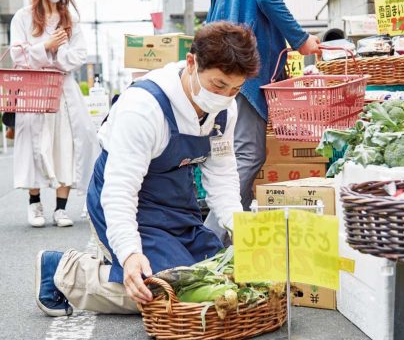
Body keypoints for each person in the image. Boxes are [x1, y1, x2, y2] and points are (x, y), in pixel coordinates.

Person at [34, 22, 260, 316]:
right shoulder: (144, 107)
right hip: (124, 201)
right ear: (191, 63)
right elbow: (120, 191)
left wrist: (240, 228)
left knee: (217, 275)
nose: (225, 96)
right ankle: (65, 270)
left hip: (176, 203)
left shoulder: (225, 108)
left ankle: (128, 261)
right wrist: (129, 254)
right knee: (172, 290)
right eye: (218, 85)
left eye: (236, 89)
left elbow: (222, 175)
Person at [206, 0, 322, 218]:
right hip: (244, 60)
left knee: (232, 155)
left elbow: (214, 5)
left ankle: (236, 241)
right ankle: (211, 238)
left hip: (223, 57)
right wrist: (301, 39)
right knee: (249, 153)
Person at [10, 0, 99, 227]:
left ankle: (61, 209)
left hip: (64, 90)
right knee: (33, 145)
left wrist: (54, 52)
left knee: (67, 144)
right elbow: (17, 55)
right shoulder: (22, 17)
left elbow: (78, 55)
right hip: (33, 91)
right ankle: (34, 202)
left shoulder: (69, 19)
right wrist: (46, 46)